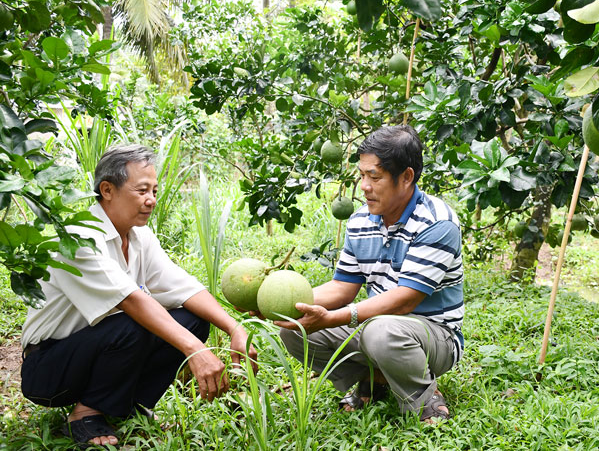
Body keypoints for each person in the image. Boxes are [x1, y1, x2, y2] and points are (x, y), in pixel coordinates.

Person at [20, 144, 257, 448]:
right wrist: (196, 351)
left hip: (96, 348)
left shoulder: (137, 235)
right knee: (134, 321)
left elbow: (184, 287)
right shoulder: (78, 238)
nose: (152, 200)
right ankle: (86, 413)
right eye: (142, 190)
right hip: (49, 369)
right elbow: (131, 301)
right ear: (107, 190)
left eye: (155, 191)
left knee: (191, 319)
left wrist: (235, 329)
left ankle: (130, 404)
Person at [277, 125, 464, 423]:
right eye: (362, 175)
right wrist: (284, 305)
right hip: (376, 324)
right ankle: (374, 379)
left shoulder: (436, 223)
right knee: (293, 330)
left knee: (382, 332)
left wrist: (335, 317)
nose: (364, 186)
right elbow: (342, 287)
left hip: (432, 336)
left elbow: (404, 301)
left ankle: (423, 396)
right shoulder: (361, 219)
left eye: (374, 177)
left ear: (406, 177)